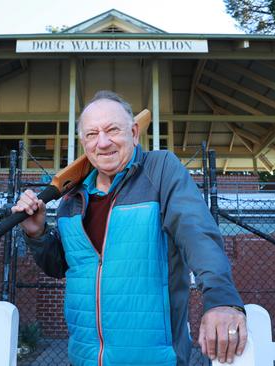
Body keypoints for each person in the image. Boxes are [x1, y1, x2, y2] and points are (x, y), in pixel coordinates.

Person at [13, 90, 246, 366]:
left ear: (134, 133)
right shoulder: (71, 197)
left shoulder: (160, 170)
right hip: (85, 359)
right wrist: (36, 232)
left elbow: (197, 232)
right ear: (83, 143)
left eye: (112, 130)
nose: (102, 142)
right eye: (91, 134)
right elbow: (59, 265)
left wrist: (221, 299)